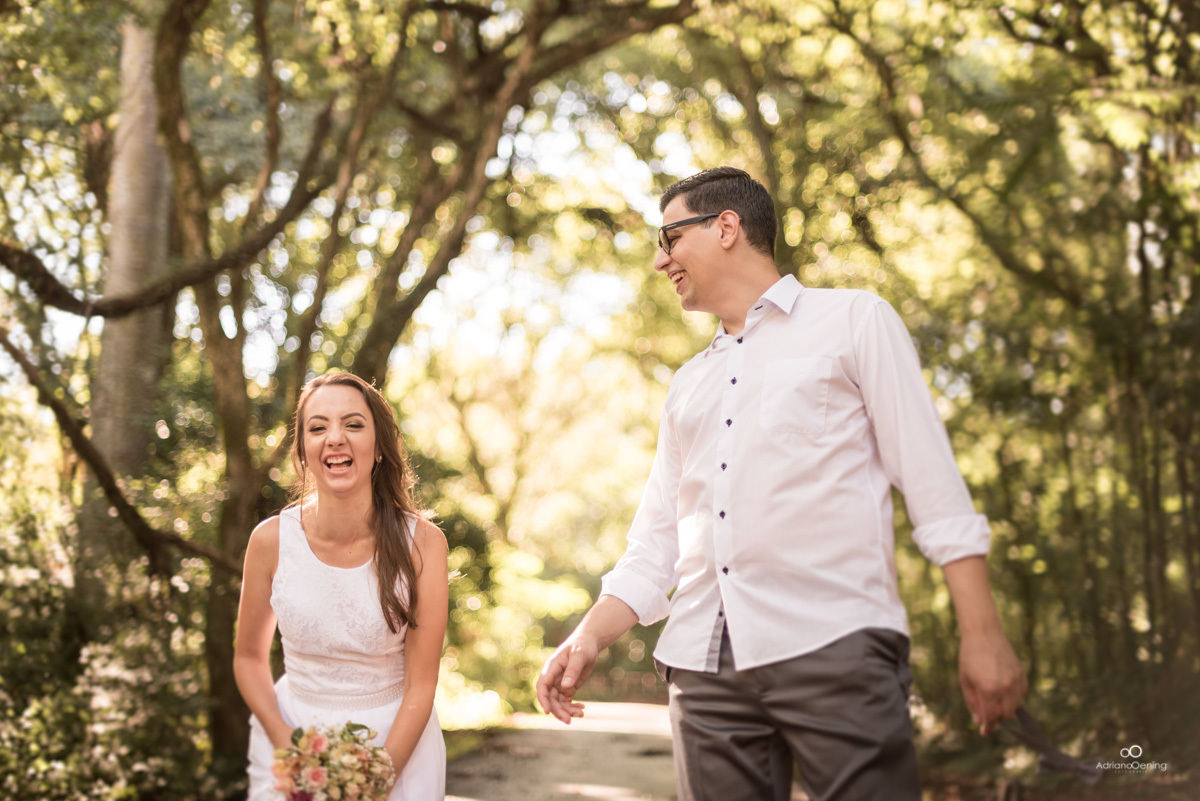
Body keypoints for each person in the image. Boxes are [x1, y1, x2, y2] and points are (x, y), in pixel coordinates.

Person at [536, 167, 1027, 801]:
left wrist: (982, 632)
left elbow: (932, 485)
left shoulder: (854, 321)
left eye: (670, 238)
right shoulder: (688, 383)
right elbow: (656, 544)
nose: (661, 262)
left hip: (834, 648)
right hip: (703, 669)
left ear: (726, 227)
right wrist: (588, 636)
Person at [235, 372, 448, 800]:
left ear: (380, 447)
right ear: (302, 452)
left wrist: (377, 778)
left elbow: (422, 683)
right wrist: (289, 747)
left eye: (353, 424)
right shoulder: (269, 541)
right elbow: (248, 658)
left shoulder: (423, 544)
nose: (335, 438)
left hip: (397, 744)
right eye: (318, 427)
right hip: (291, 739)